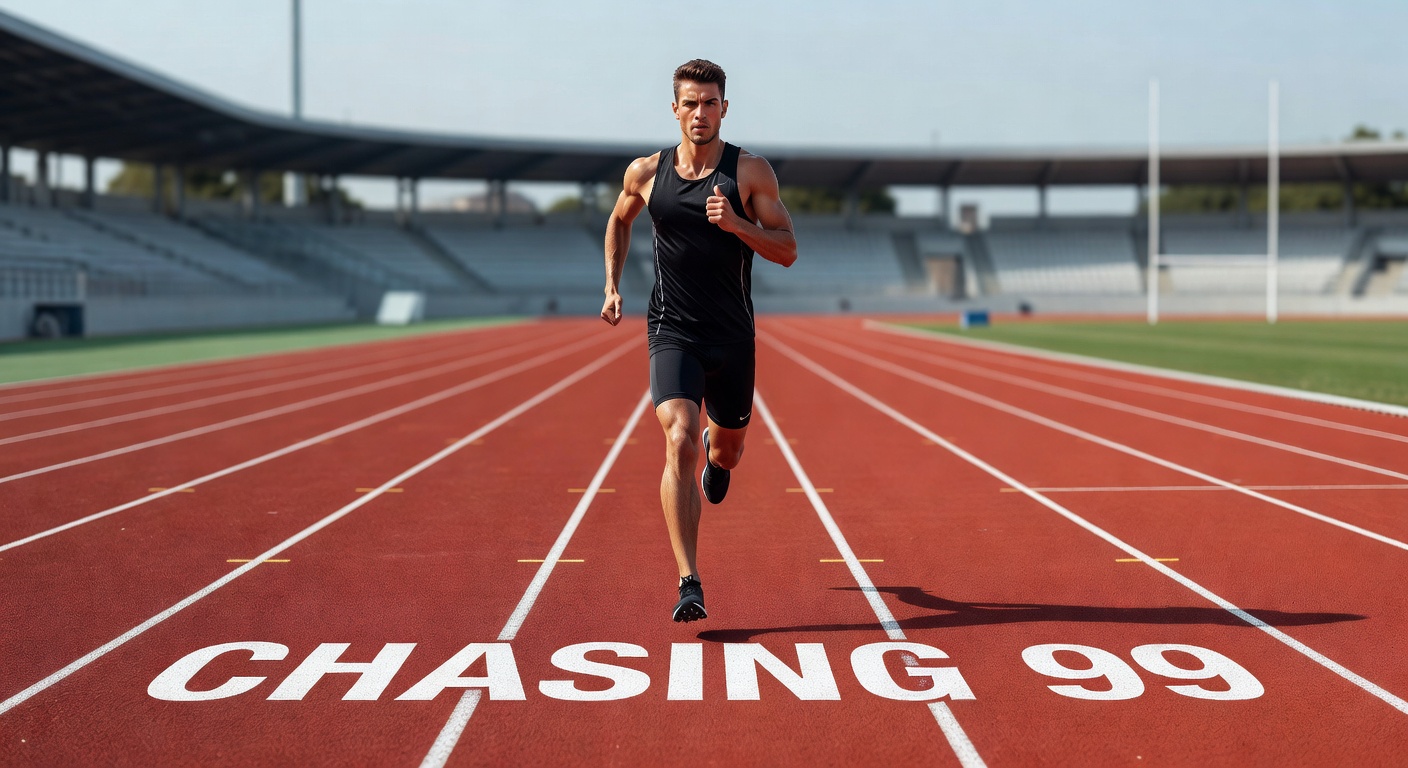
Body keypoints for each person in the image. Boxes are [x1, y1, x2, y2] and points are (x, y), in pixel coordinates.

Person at [600, 59, 797, 622]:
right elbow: (619, 220)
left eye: (710, 103)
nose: (700, 113)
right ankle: (689, 581)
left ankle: (721, 460)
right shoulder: (646, 172)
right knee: (680, 436)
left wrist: (737, 224)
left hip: (732, 336)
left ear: (724, 109)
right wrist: (612, 285)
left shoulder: (750, 173)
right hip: (672, 330)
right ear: (675, 108)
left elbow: (787, 249)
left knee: (725, 448)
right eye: (691, 103)